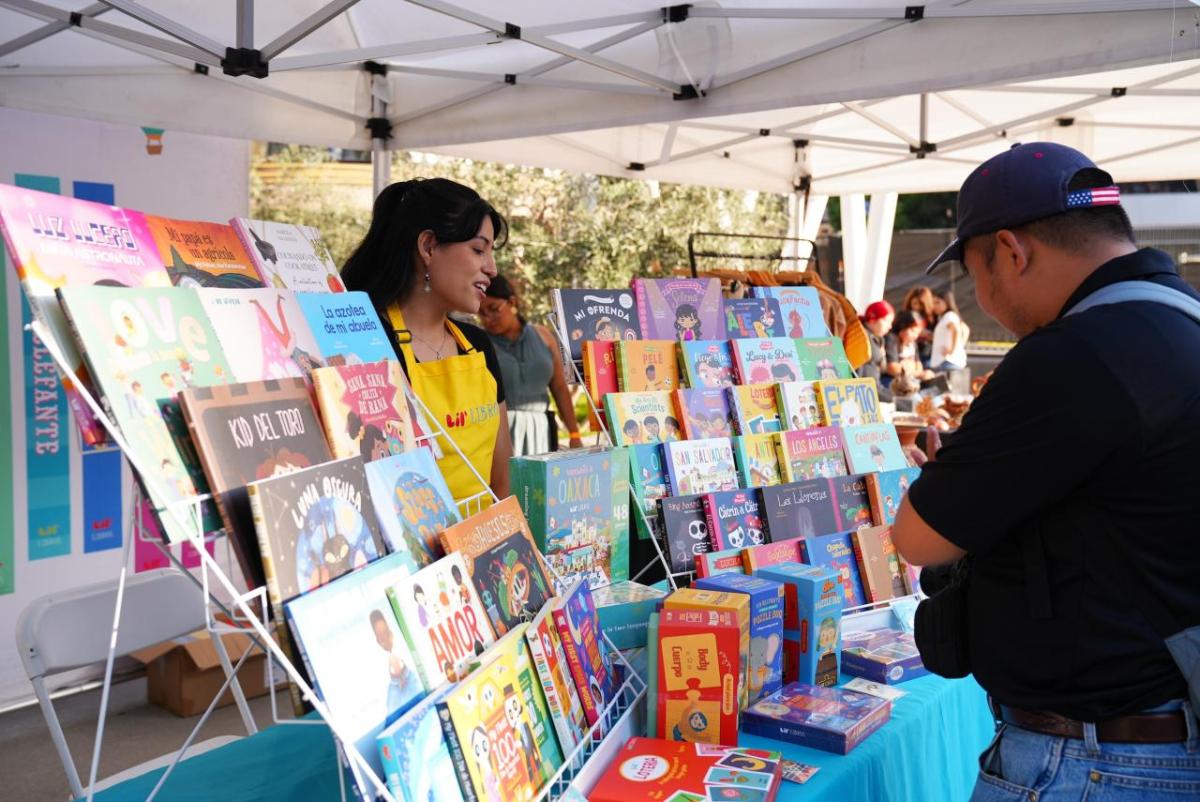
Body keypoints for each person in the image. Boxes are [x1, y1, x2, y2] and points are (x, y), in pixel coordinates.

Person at [892, 142, 1200, 800]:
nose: (985, 296)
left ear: (1012, 250)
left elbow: (918, 539)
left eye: (979, 276)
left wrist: (945, 476)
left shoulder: (1075, 355)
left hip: (1093, 761)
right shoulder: (1182, 323)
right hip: (1156, 735)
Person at [342, 178, 513, 501]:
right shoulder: (369, 342)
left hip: (486, 542)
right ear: (428, 247)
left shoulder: (478, 344)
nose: (491, 269)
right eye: (478, 250)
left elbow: (502, 478)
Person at [479, 274, 583, 456]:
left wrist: (574, 433)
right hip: (499, 433)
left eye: (493, 309)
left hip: (541, 431)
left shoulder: (543, 336)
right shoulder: (480, 344)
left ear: (512, 303)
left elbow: (559, 388)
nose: (487, 318)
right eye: (481, 313)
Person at [883, 310, 934, 395]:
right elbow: (892, 367)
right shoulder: (892, 339)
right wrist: (918, 373)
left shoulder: (913, 343)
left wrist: (906, 367)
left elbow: (918, 365)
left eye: (918, 333)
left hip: (908, 384)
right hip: (891, 384)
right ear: (903, 327)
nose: (916, 335)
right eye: (913, 331)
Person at [857, 300, 894, 400]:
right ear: (873, 319)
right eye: (887, 321)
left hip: (875, 388)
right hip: (867, 392)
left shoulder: (876, 338)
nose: (890, 326)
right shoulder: (862, 337)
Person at [930, 289, 969, 370]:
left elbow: (955, 330)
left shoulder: (949, 316)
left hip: (948, 362)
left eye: (937, 302)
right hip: (943, 362)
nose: (935, 306)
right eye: (933, 303)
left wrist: (951, 349)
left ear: (947, 302)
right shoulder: (943, 318)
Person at [901, 285, 936, 366]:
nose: (917, 307)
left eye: (921, 305)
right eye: (915, 303)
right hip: (909, 355)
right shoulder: (906, 315)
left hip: (927, 355)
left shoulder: (932, 317)